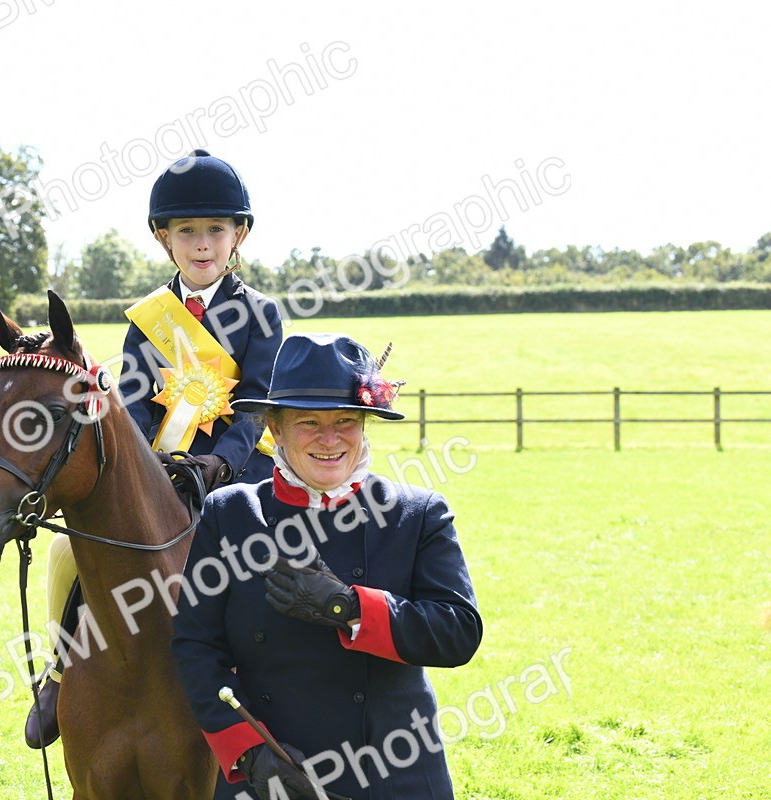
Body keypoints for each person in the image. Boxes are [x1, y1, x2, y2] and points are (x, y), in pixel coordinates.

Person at [24, 149, 284, 748]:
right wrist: (147, 463)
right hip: (159, 472)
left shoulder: (261, 315)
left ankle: (270, 692)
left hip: (239, 470)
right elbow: (134, 404)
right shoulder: (147, 320)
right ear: (164, 238)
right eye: (186, 231)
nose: (201, 244)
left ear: (238, 235)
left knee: (271, 554)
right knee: (71, 548)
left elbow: (256, 404)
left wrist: (221, 463)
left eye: (215, 230)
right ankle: (60, 675)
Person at [170, 333, 483, 800]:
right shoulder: (229, 513)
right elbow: (195, 647)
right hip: (272, 771)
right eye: (308, 422)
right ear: (274, 426)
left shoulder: (418, 514)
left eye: (345, 421)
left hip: (393, 771)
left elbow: (458, 633)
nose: (330, 438)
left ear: (365, 424)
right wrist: (251, 753)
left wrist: (349, 607)